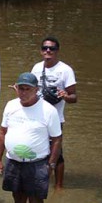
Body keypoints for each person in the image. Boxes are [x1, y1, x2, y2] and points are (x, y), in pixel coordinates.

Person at [0, 73, 62, 203]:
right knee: (18, 199)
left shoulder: (48, 111)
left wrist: (51, 165)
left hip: (37, 163)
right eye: (20, 88)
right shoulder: (11, 106)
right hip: (14, 162)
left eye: (27, 89)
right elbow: (2, 133)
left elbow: (57, 140)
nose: (23, 93)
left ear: (36, 90)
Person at [30, 36, 77, 188]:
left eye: (52, 48)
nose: (48, 51)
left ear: (57, 51)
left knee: (57, 153)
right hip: (36, 116)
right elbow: (31, 90)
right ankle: (37, 179)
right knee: (36, 147)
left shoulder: (65, 70)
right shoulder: (36, 68)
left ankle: (58, 185)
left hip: (55, 118)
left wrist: (65, 96)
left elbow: (74, 97)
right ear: (41, 51)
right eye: (45, 48)